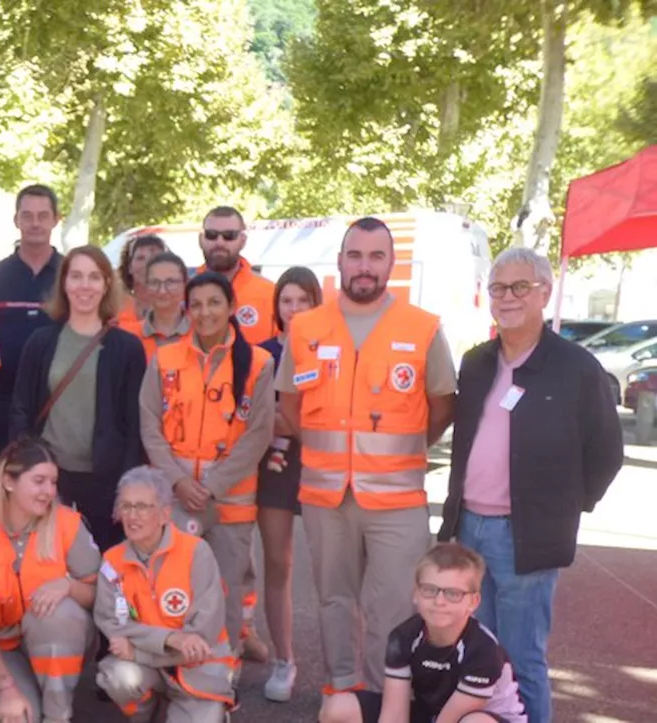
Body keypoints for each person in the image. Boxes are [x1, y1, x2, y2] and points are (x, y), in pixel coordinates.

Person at [438, 247, 623, 723]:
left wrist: (562, 509)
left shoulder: (576, 367)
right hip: (470, 528)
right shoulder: (477, 361)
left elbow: (606, 451)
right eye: (499, 288)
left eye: (521, 287)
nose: (508, 297)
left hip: (526, 536)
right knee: (477, 658)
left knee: (522, 661)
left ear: (545, 292)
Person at [277, 216, 458, 695]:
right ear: (340, 262)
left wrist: (402, 449)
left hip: (397, 499)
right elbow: (290, 405)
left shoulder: (422, 329)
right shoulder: (306, 328)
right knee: (333, 599)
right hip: (325, 496)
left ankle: (383, 699)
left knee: (395, 606)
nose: (365, 266)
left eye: (376, 256)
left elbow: (442, 404)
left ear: (390, 265)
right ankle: (340, 692)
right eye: (355, 255)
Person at [139, 272, 275, 667]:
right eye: (196, 304)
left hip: (230, 500)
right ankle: (172, 669)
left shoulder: (258, 364)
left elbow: (258, 434)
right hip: (174, 497)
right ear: (186, 310)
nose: (205, 312)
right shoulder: (164, 359)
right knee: (173, 583)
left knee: (226, 589)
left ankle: (222, 671)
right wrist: (179, 481)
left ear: (232, 307)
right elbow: (150, 425)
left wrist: (212, 485)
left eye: (214, 302)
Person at [0, 438, 100, 723]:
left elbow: (103, 595)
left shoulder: (67, 524)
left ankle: (58, 716)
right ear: (8, 481)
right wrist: (6, 687)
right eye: (39, 481)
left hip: (56, 645)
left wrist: (68, 586)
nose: (49, 492)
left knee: (58, 613)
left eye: (53, 482)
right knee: (13, 716)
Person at [9, 245, 146, 550]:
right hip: (49, 475)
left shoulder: (127, 348)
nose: (85, 286)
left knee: (104, 564)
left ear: (107, 285)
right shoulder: (41, 342)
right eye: (77, 276)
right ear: (64, 283)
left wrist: (128, 486)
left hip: (104, 479)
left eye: (94, 277)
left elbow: (133, 426)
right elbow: (21, 409)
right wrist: (24, 469)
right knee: (45, 557)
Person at [319, 543, 528, 723]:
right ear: (415, 594)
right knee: (338, 708)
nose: (439, 601)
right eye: (429, 589)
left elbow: (450, 719)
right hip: (431, 713)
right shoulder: (403, 637)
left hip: (478, 717)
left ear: (473, 602)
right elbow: (394, 716)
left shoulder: (483, 650)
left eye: (453, 594)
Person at [95, 466, 239, 721]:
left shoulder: (196, 552)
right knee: (117, 677)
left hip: (196, 671)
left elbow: (200, 639)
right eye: (126, 506)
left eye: (142, 507)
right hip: (152, 668)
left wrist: (138, 651)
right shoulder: (112, 561)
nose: (132, 516)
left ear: (165, 514)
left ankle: (205, 709)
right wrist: (172, 638)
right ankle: (147, 713)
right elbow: (114, 625)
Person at [255, 265, 322, 703]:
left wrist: (289, 421)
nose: (294, 309)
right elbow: (257, 419)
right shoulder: (261, 354)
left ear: (316, 303)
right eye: (287, 300)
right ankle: (284, 659)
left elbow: (325, 422)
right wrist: (295, 421)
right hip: (274, 468)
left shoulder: (330, 351)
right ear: (276, 307)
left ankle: (345, 669)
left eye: (302, 300)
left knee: (334, 571)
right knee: (277, 565)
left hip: (323, 467)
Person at [0, 184, 63, 475]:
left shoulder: (70, 276)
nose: (35, 223)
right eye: (27, 216)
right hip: (2, 406)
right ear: (16, 221)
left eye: (42, 215)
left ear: (55, 219)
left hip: (57, 406)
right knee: (0, 491)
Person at [197, 206, 276, 346]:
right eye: (212, 234)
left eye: (229, 236)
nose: (219, 242)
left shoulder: (271, 293)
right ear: (201, 239)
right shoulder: (182, 292)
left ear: (243, 240)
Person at [119, 251, 192, 360]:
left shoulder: (202, 333)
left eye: (170, 282)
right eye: (155, 283)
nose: (162, 291)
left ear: (185, 284)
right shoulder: (126, 336)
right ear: (146, 286)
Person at [115, 234, 167, 330]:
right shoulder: (113, 308)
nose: (148, 264)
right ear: (130, 267)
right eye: (140, 258)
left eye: (156, 258)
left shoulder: (179, 308)